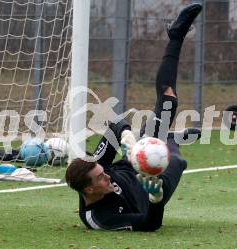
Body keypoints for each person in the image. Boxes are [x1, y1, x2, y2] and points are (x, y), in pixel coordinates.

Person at [65, 3, 203, 231]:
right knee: (175, 158)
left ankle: (176, 36)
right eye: (101, 177)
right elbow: (149, 224)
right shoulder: (100, 218)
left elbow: (116, 125)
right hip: (155, 182)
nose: (106, 175)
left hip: (135, 158)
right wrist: (156, 198)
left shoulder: (96, 167)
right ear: (89, 190)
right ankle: (171, 140)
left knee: (169, 100)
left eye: (103, 171)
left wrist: (127, 138)